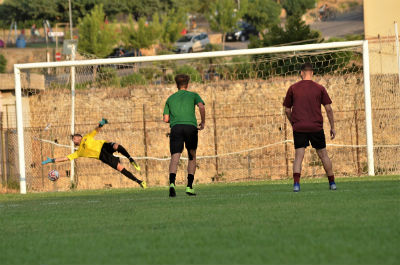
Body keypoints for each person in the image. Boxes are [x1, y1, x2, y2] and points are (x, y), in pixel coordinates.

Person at [41, 118, 146, 189]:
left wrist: (101, 124)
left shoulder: (87, 136)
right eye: (73, 140)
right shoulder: (78, 152)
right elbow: (65, 158)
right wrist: (52, 160)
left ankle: (131, 159)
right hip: (103, 156)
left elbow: (96, 130)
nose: (74, 140)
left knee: (116, 146)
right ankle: (139, 182)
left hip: (104, 146)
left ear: (79, 137)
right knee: (120, 168)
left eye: (75, 138)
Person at [283, 63, 336, 192]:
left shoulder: (293, 88)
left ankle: (296, 185)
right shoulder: (320, 88)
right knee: (323, 155)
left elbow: (287, 110)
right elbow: (328, 108)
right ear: (312, 73)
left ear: (301, 73)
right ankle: (332, 183)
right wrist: (332, 127)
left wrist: (293, 123)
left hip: (299, 127)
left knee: (298, 156)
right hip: (316, 127)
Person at [163, 74, 205, 197]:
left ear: (176, 84)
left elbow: (166, 119)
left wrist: (176, 120)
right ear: (188, 83)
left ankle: (172, 184)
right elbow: (201, 107)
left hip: (176, 128)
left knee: (175, 156)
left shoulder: (170, 98)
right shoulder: (193, 95)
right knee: (192, 155)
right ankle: (189, 186)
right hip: (190, 127)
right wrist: (202, 122)